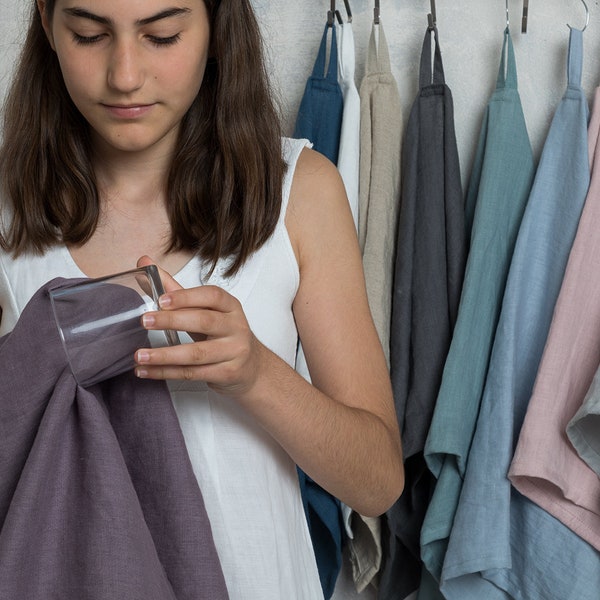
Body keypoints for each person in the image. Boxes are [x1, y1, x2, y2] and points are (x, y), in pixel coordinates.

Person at [0, 0, 404, 598]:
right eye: (90, 35)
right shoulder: (8, 211)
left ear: (218, 26)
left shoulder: (299, 193)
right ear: (45, 21)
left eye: (161, 36)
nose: (126, 74)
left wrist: (256, 375)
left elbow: (378, 482)